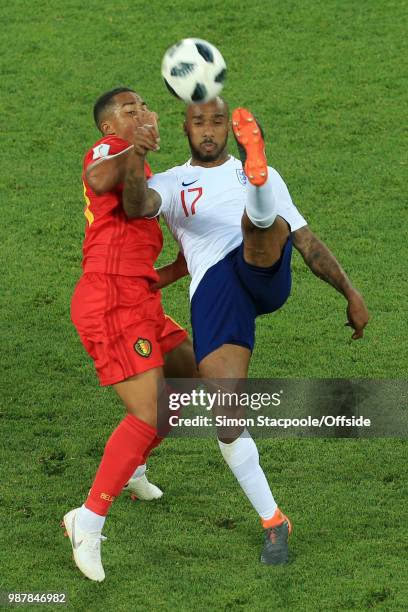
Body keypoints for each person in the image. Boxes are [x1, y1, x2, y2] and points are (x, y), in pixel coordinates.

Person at [124, 98, 369, 566]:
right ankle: (274, 522)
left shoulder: (265, 174)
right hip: (217, 289)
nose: (209, 130)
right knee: (227, 417)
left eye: (217, 121)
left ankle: (256, 198)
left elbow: (307, 241)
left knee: (263, 224)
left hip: (262, 268)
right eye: (200, 123)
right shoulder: (173, 182)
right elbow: (137, 205)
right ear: (186, 129)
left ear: (229, 131)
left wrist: (350, 293)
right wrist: (136, 153)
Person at [63, 87, 197, 582]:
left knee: (192, 379)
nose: (141, 113)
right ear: (109, 127)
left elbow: (139, 256)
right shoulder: (108, 152)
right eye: (128, 109)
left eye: (144, 106)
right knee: (149, 410)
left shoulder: (140, 173)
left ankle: (133, 466)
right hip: (110, 304)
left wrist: (178, 269)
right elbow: (99, 177)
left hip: (138, 299)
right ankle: (88, 519)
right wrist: (136, 147)